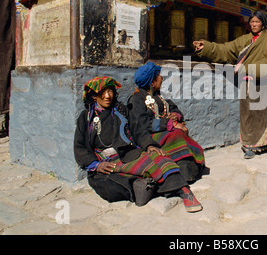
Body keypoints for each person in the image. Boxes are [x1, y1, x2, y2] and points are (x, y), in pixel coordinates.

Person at [74, 76, 203, 212]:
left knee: (160, 158)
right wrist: (97, 165)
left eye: (110, 91)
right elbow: (80, 147)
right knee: (113, 184)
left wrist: (149, 145)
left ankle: (184, 191)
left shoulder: (121, 111)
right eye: (102, 93)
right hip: (107, 161)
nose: (107, 96)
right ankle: (152, 186)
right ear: (94, 96)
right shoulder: (86, 117)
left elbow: (137, 130)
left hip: (128, 153)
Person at [193, 11, 267, 159]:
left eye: (257, 22)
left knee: (265, 115)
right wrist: (205, 47)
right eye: (252, 22)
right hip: (248, 85)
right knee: (249, 115)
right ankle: (250, 145)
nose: (254, 25)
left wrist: (250, 68)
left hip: (264, 83)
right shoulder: (245, 39)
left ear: (263, 23)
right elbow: (226, 50)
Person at [127, 62, 206, 210]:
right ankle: (182, 172)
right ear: (152, 82)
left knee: (179, 133)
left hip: (165, 132)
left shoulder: (159, 97)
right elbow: (142, 124)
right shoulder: (136, 100)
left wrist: (175, 117)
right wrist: (169, 124)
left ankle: (190, 169)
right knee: (176, 135)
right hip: (149, 139)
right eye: (159, 77)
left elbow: (175, 108)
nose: (162, 79)